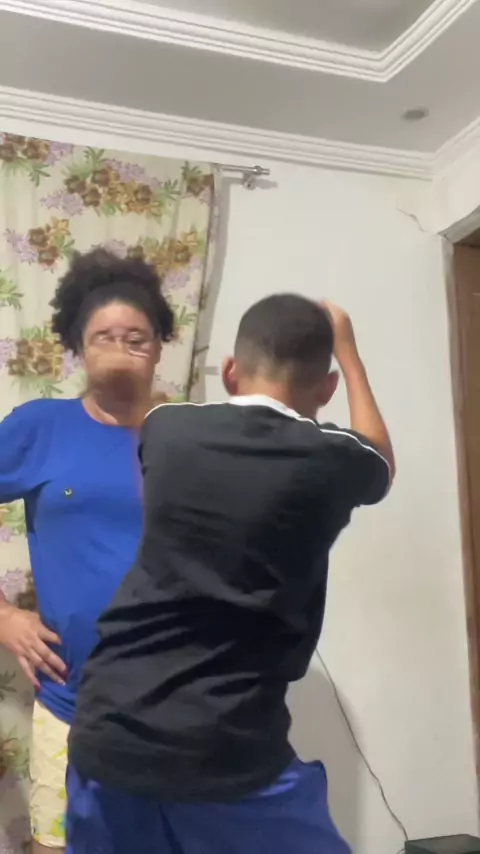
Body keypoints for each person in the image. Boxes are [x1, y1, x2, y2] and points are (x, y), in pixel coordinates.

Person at [66, 294, 395, 854]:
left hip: (106, 729)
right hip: (223, 747)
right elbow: (381, 459)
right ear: (327, 388)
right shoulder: (332, 459)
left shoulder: (166, 428)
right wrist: (348, 349)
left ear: (229, 372)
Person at [0, 248, 174, 853]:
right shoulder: (40, 427)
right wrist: (3, 616)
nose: (121, 349)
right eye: (104, 337)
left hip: (175, 705)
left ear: (159, 347)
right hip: (70, 702)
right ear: (77, 347)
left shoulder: (188, 437)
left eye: (136, 337)